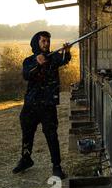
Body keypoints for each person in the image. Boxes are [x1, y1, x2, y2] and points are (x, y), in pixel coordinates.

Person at [12, 31, 71, 179]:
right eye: (43, 41)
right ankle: (26, 159)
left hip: (48, 105)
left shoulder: (54, 58)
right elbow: (27, 75)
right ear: (36, 43)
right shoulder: (28, 61)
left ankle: (56, 167)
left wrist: (67, 52)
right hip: (31, 104)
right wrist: (37, 64)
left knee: (51, 135)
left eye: (48, 42)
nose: (46, 44)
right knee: (27, 132)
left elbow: (64, 60)